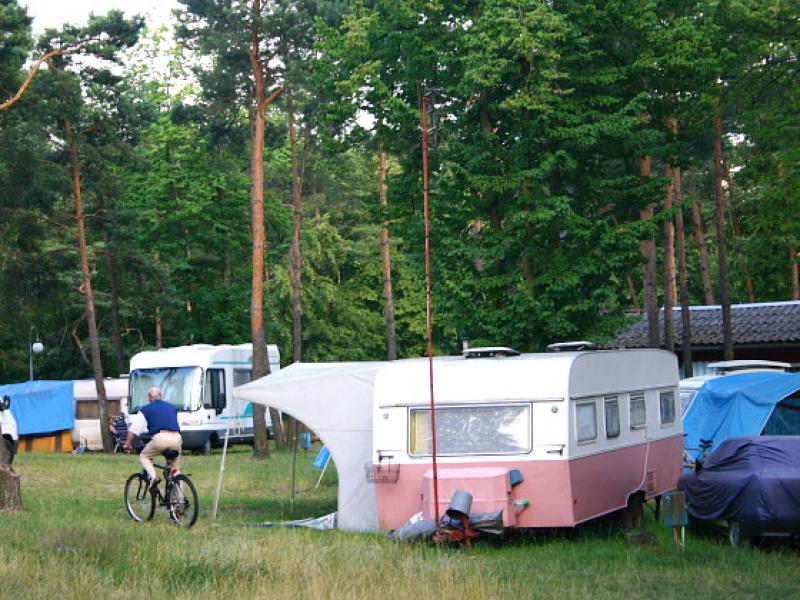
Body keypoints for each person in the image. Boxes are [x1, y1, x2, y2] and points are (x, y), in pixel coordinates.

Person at [124, 386, 182, 488]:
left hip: (161, 438)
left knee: (144, 457)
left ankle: (154, 476)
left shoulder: (146, 409)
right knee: (175, 470)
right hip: (176, 438)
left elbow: (133, 431)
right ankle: (179, 496)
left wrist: (127, 445)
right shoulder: (172, 407)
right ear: (161, 396)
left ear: (149, 398)